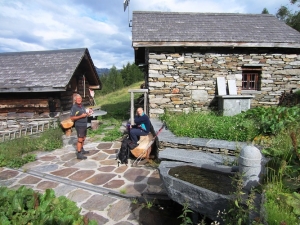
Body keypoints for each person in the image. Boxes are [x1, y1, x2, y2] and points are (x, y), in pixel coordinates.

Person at [70, 94, 91, 160]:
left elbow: (83, 114)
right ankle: (79, 154)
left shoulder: (82, 106)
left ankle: (82, 149)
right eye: (78, 98)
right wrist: (81, 116)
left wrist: (87, 114)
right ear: (75, 100)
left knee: (83, 138)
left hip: (84, 124)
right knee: (80, 139)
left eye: (80, 98)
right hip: (79, 125)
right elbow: (72, 118)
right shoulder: (74, 107)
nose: (79, 100)